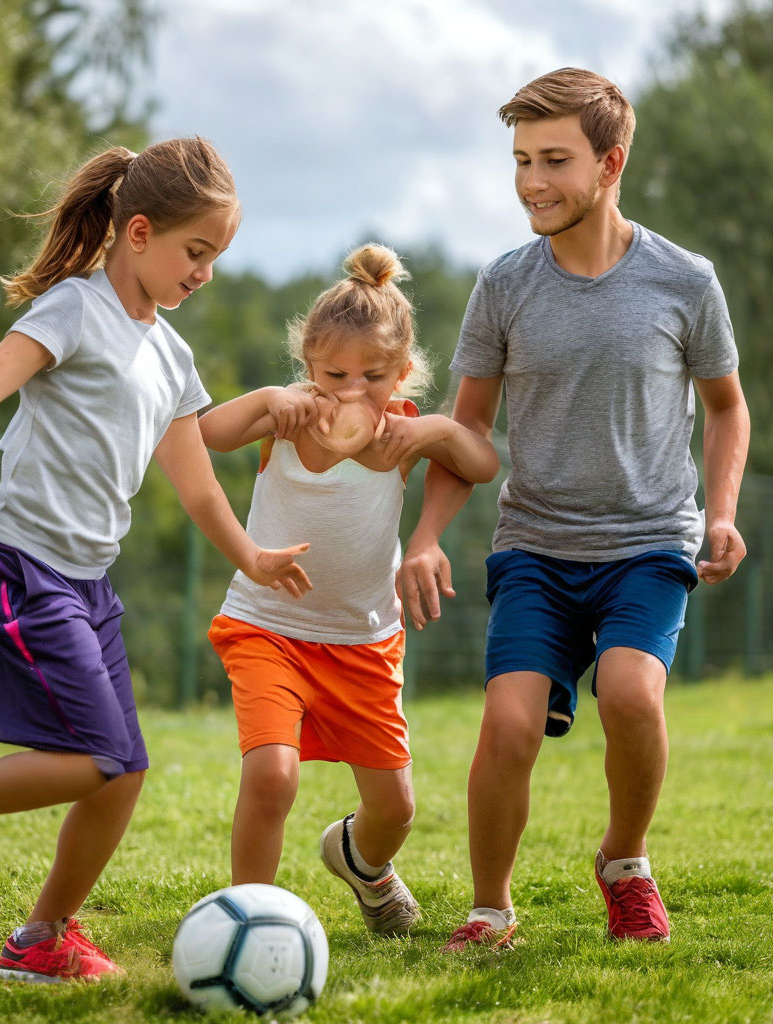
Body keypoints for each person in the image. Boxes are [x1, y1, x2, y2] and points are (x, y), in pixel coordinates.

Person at [0, 138, 313, 982]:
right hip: (22, 559)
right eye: (197, 253)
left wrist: (249, 555)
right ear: (137, 232)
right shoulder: (74, 310)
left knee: (123, 772)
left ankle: (40, 942)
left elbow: (195, 488)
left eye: (218, 257)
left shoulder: (172, 356)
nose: (207, 273)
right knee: (95, 758)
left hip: (87, 578)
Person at [399, 69, 750, 949]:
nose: (531, 182)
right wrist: (426, 537)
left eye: (554, 160)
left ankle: (624, 863)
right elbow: (466, 429)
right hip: (536, 548)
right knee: (509, 720)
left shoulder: (685, 281)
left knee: (631, 694)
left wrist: (723, 511)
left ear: (611, 161)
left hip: (648, 543)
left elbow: (727, 406)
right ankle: (490, 908)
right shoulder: (505, 286)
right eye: (520, 160)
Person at [199, 244, 499, 935]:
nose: (352, 391)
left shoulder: (401, 430)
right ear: (309, 366)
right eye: (334, 373)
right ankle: (250, 920)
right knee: (272, 775)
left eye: (373, 376)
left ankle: (361, 863)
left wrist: (432, 429)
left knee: (395, 810)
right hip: (266, 626)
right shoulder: (291, 415)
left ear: (401, 373)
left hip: (364, 641)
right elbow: (209, 434)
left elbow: (480, 461)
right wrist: (271, 401)